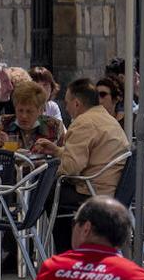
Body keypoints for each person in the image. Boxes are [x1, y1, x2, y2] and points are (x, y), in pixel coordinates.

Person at [32, 78, 129, 252]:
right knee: (51, 190)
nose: (66, 107)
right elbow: (90, 155)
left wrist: (44, 169)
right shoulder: (104, 117)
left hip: (93, 189)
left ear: (76, 103)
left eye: (67, 102)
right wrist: (57, 151)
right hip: (114, 186)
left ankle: (63, 252)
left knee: (45, 190)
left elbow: (71, 167)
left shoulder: (83, 123)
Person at [0, 80, 66, 150]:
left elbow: (66, 153)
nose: (24, 116)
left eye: (29, 111)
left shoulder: (54, 126)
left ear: (40, 110)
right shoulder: (5, 122)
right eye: (20, 110)